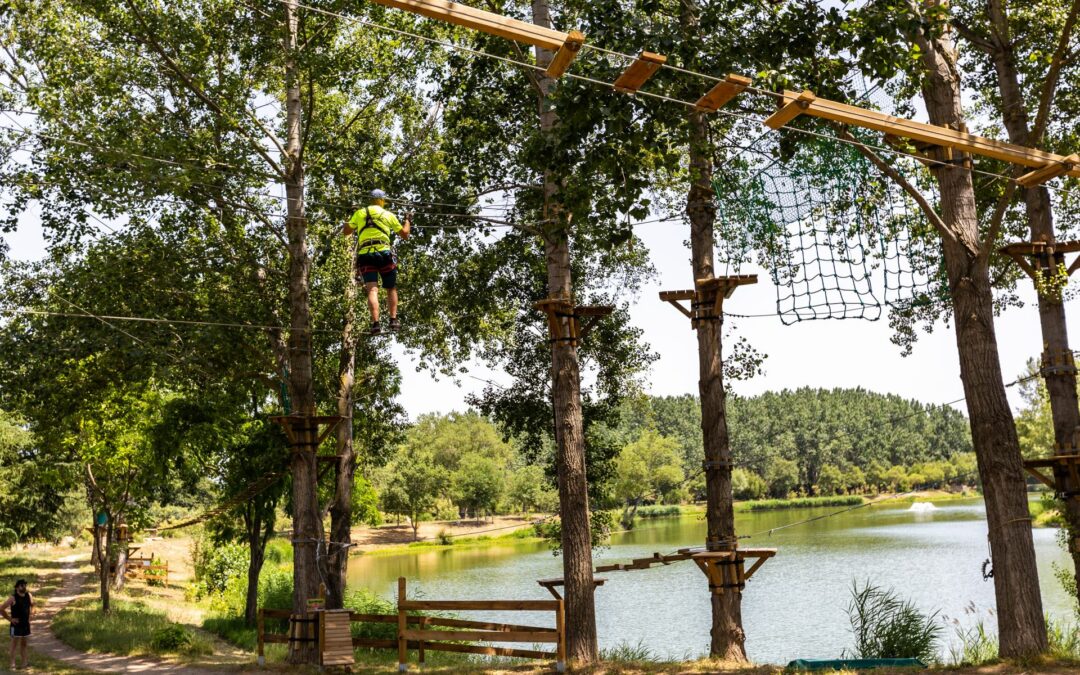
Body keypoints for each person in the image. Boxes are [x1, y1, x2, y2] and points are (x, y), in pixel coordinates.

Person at [343, 189, 412, 335]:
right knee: (391, 288)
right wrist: (408, 220)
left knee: (372, 289)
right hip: (383, 253)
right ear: (382, 200)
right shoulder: (388, 215)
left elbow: (346, 231)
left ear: (370, 200)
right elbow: (405, 234)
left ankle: (376, 324)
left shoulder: (360, 213)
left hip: (365, 255)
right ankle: (393, 320)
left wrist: (350, 217)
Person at [1, 579, 32, 670]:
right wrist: (10, 619)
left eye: (25, 585)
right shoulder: (13, 598)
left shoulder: (28, 595)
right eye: (22, 585)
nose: (24, 587)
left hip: (26, 625)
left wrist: (31, 616)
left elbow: (33, 605)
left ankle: (24, 663)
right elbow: (1, 608)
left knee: (24, 644)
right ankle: (12, 664)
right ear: (17, 587)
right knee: (14, 645)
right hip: (16, 625)